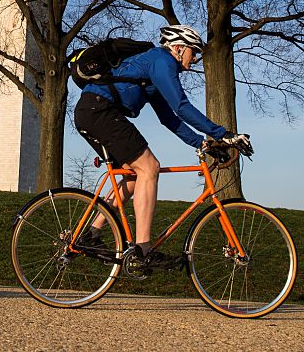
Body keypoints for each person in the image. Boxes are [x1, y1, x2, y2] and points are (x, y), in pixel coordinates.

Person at [74, 24, 250, 270]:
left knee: (134, 176)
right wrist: (224, 134)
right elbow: (181, 105)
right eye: (193, 51)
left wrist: (203, 143)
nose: (196, 57)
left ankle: (91, 235)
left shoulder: (154, 72)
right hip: (100, 110)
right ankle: (143, 250)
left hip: (92, 111)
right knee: (150, 167)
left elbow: (169, 118)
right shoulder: (161, 61)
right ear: (178, 48)